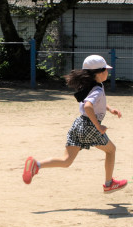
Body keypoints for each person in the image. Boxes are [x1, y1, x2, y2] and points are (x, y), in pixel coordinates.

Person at [23, 55, 127, 193]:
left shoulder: (89, 86)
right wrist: (98, 126)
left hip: (78, 125)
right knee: (111, 150)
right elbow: (88, 106)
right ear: (99, 73)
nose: (108, 72)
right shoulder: (97, 89)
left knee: (66, 161)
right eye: (106, 70)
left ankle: (36, 165)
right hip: (90, 126)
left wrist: (110, 109)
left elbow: (95, 103)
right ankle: (109, 183)